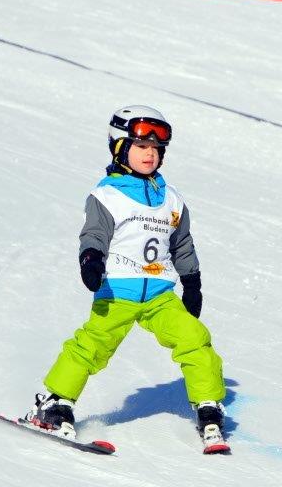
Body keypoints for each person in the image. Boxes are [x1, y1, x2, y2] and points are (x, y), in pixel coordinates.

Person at [25, 105, 227, 448]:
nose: (150, 154)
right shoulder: (107, 196)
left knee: (195, 337)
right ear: (120, 147)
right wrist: (91, 259)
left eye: (156, 148)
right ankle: (54, 402)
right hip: (118, 290)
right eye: (141, 146)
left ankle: (208, 405)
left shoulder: (172, 200)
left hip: (160, 295)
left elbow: (182, 244)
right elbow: (94, 234)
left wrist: (192, 282)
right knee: (92, 345)